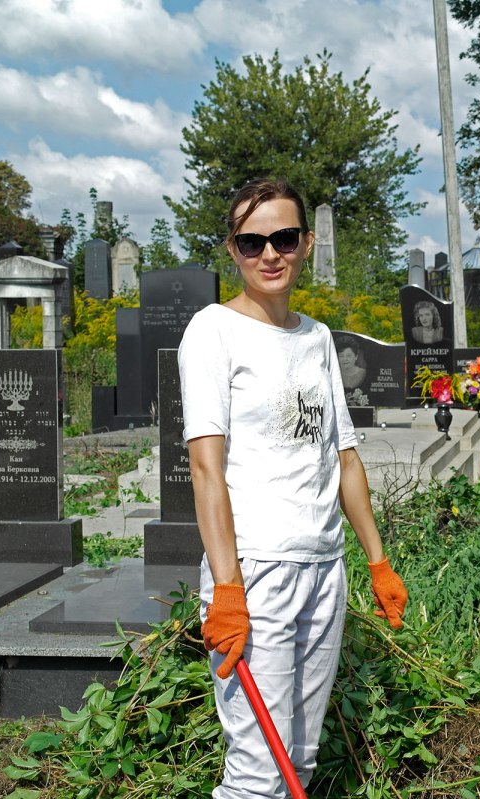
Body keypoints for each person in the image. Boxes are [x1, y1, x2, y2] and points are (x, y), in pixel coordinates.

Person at [178, 177, 408, 798]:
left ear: (305, 242)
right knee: (256, 773)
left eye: (283, 237)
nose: (269, 254)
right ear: (233, 251)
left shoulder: (317, 338)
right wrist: (227, 589)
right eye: (252, 243)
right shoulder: (213, 331)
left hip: (323, 568)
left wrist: (377, 561)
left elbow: (345, 458)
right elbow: (206, 466)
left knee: (298, 763)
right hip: (254, 573)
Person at [335, 338, 369, 406]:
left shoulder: (362, 373)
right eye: (341, 356)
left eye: (348, 356)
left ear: (356, 357)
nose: (345, 359)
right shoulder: (334, 374)